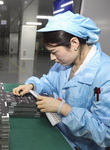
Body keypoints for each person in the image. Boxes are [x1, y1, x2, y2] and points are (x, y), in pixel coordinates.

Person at [13, 11, 110, 150]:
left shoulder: (105, 75)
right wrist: (32, 85)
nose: (52, 58)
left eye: (54, 51)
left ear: (74, 43)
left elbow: (105, 132)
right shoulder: (64, 63)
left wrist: (64, 109)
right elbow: (49, 82)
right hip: (59, 133)